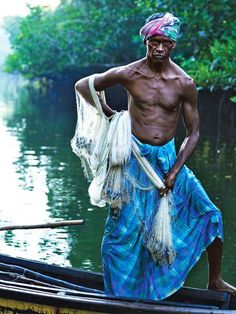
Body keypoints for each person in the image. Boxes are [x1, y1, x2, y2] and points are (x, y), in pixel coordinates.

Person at [74, 12, 236, 300]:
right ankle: (117, 297)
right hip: (134, 162)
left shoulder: (183, 82)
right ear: (146, 41)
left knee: (210, 214)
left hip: (168, 160)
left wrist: (175, 171)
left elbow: (194, 132)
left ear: (173, 45)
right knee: (121, 234)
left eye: (166, 43)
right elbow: (84, 86)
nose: (160, 48)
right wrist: (110, 115)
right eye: (155, 42)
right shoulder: (130, 73)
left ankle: (215, 280)